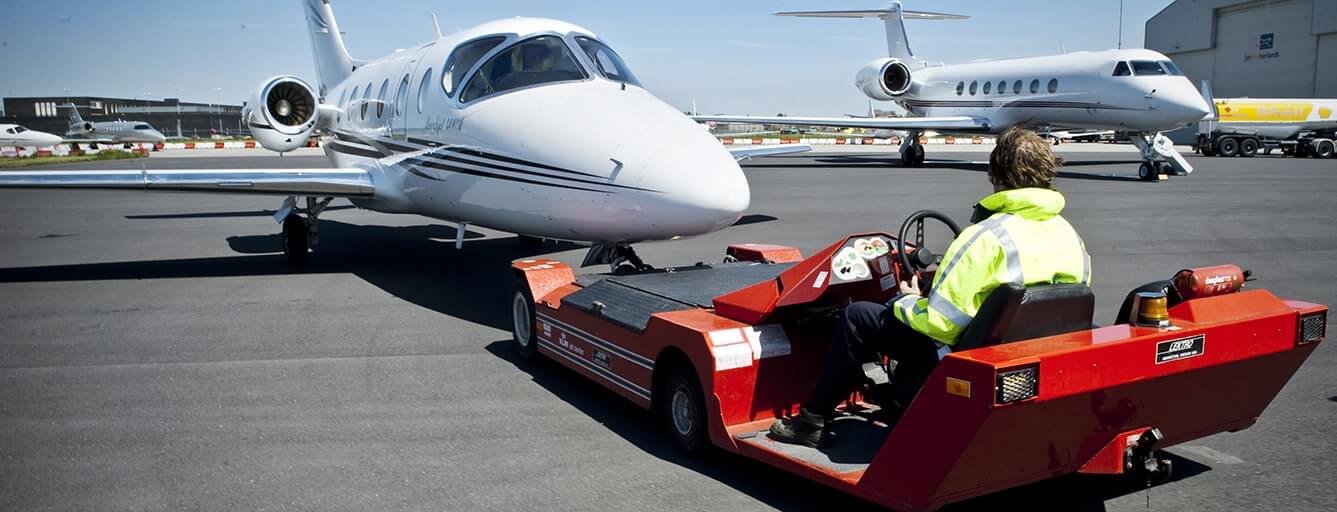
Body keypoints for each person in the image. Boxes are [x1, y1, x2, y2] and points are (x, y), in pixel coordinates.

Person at [769, 127, 1092, 448]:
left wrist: (905, 300)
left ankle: (811, 421)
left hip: (966, 361)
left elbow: (942, 323)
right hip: (1031, 358)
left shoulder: (986, 236)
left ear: (997, 175)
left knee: (857, 317)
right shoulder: (1069, 236)